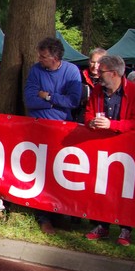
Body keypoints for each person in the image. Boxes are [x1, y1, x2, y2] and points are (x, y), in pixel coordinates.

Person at [23, 37, 83, 233]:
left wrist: (48, 96)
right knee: (41, 173)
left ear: (55, 57)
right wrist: (55, 103)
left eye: (44, 56)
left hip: (62, 131)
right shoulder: (35, 70)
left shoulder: (71, 71)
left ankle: (60, 214)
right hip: (40, 129)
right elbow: (30, 100)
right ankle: (43, 217)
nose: (40, 59)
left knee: (61, 173)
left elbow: (73, 101)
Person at [84, 54, 135, 246]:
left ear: (114, 73)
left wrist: (112, 125)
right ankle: (102, 225)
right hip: (102, 148)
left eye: (101, 71)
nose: (97, 74)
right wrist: (91, 122)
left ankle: (125, 229)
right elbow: (88, 113)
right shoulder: (97, 90)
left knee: (125, 189)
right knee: (102, 187)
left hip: (127, 150)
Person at [75, 47, 106, 124]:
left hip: (102, 118)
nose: (95, 66)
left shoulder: (108, 80)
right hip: (80, 116)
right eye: (93, 62)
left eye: (99, 63)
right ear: (89, 61)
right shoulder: (79, 76)